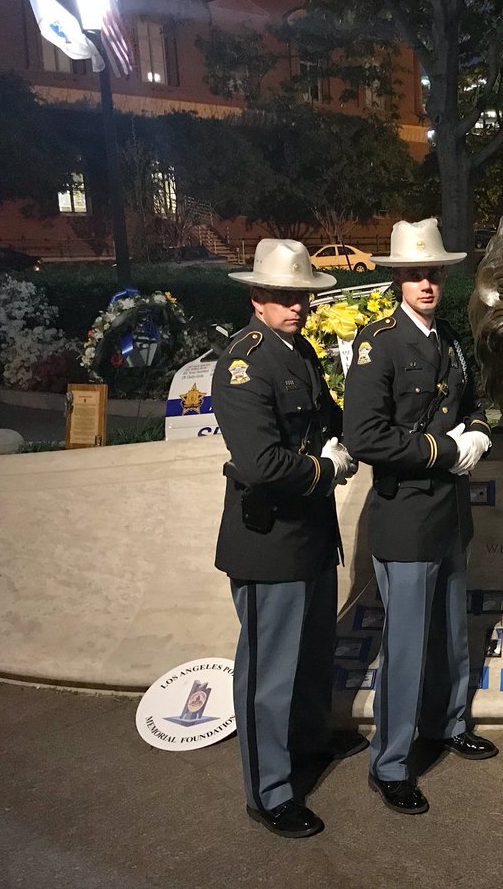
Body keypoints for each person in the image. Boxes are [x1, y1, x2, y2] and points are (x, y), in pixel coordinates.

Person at [212, 238, 364, 839]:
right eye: (283, 296)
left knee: (310, 657)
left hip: (308, 535)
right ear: (257, 297)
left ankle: (305, 745)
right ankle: (268, 790)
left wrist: (345, 435)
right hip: (268, 537)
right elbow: (260, 463)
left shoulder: (298, 351)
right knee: (268, 674)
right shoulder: (245, 361)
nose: (296, 306)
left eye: (301, 295)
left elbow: (325, 419)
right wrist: (328, 468)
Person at [343, 218, 497, 816]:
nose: (426, 284)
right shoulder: (377, 343)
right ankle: (391, 762)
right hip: (404, 515)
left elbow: (474, 405)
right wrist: (443, 450)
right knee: (406, 646)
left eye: (432, 273)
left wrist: (479, 434)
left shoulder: (450, 340)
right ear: (397, 281)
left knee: (451, 637)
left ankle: (450, 723)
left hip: (448, 514)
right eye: (415, 274)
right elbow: (363, 434)